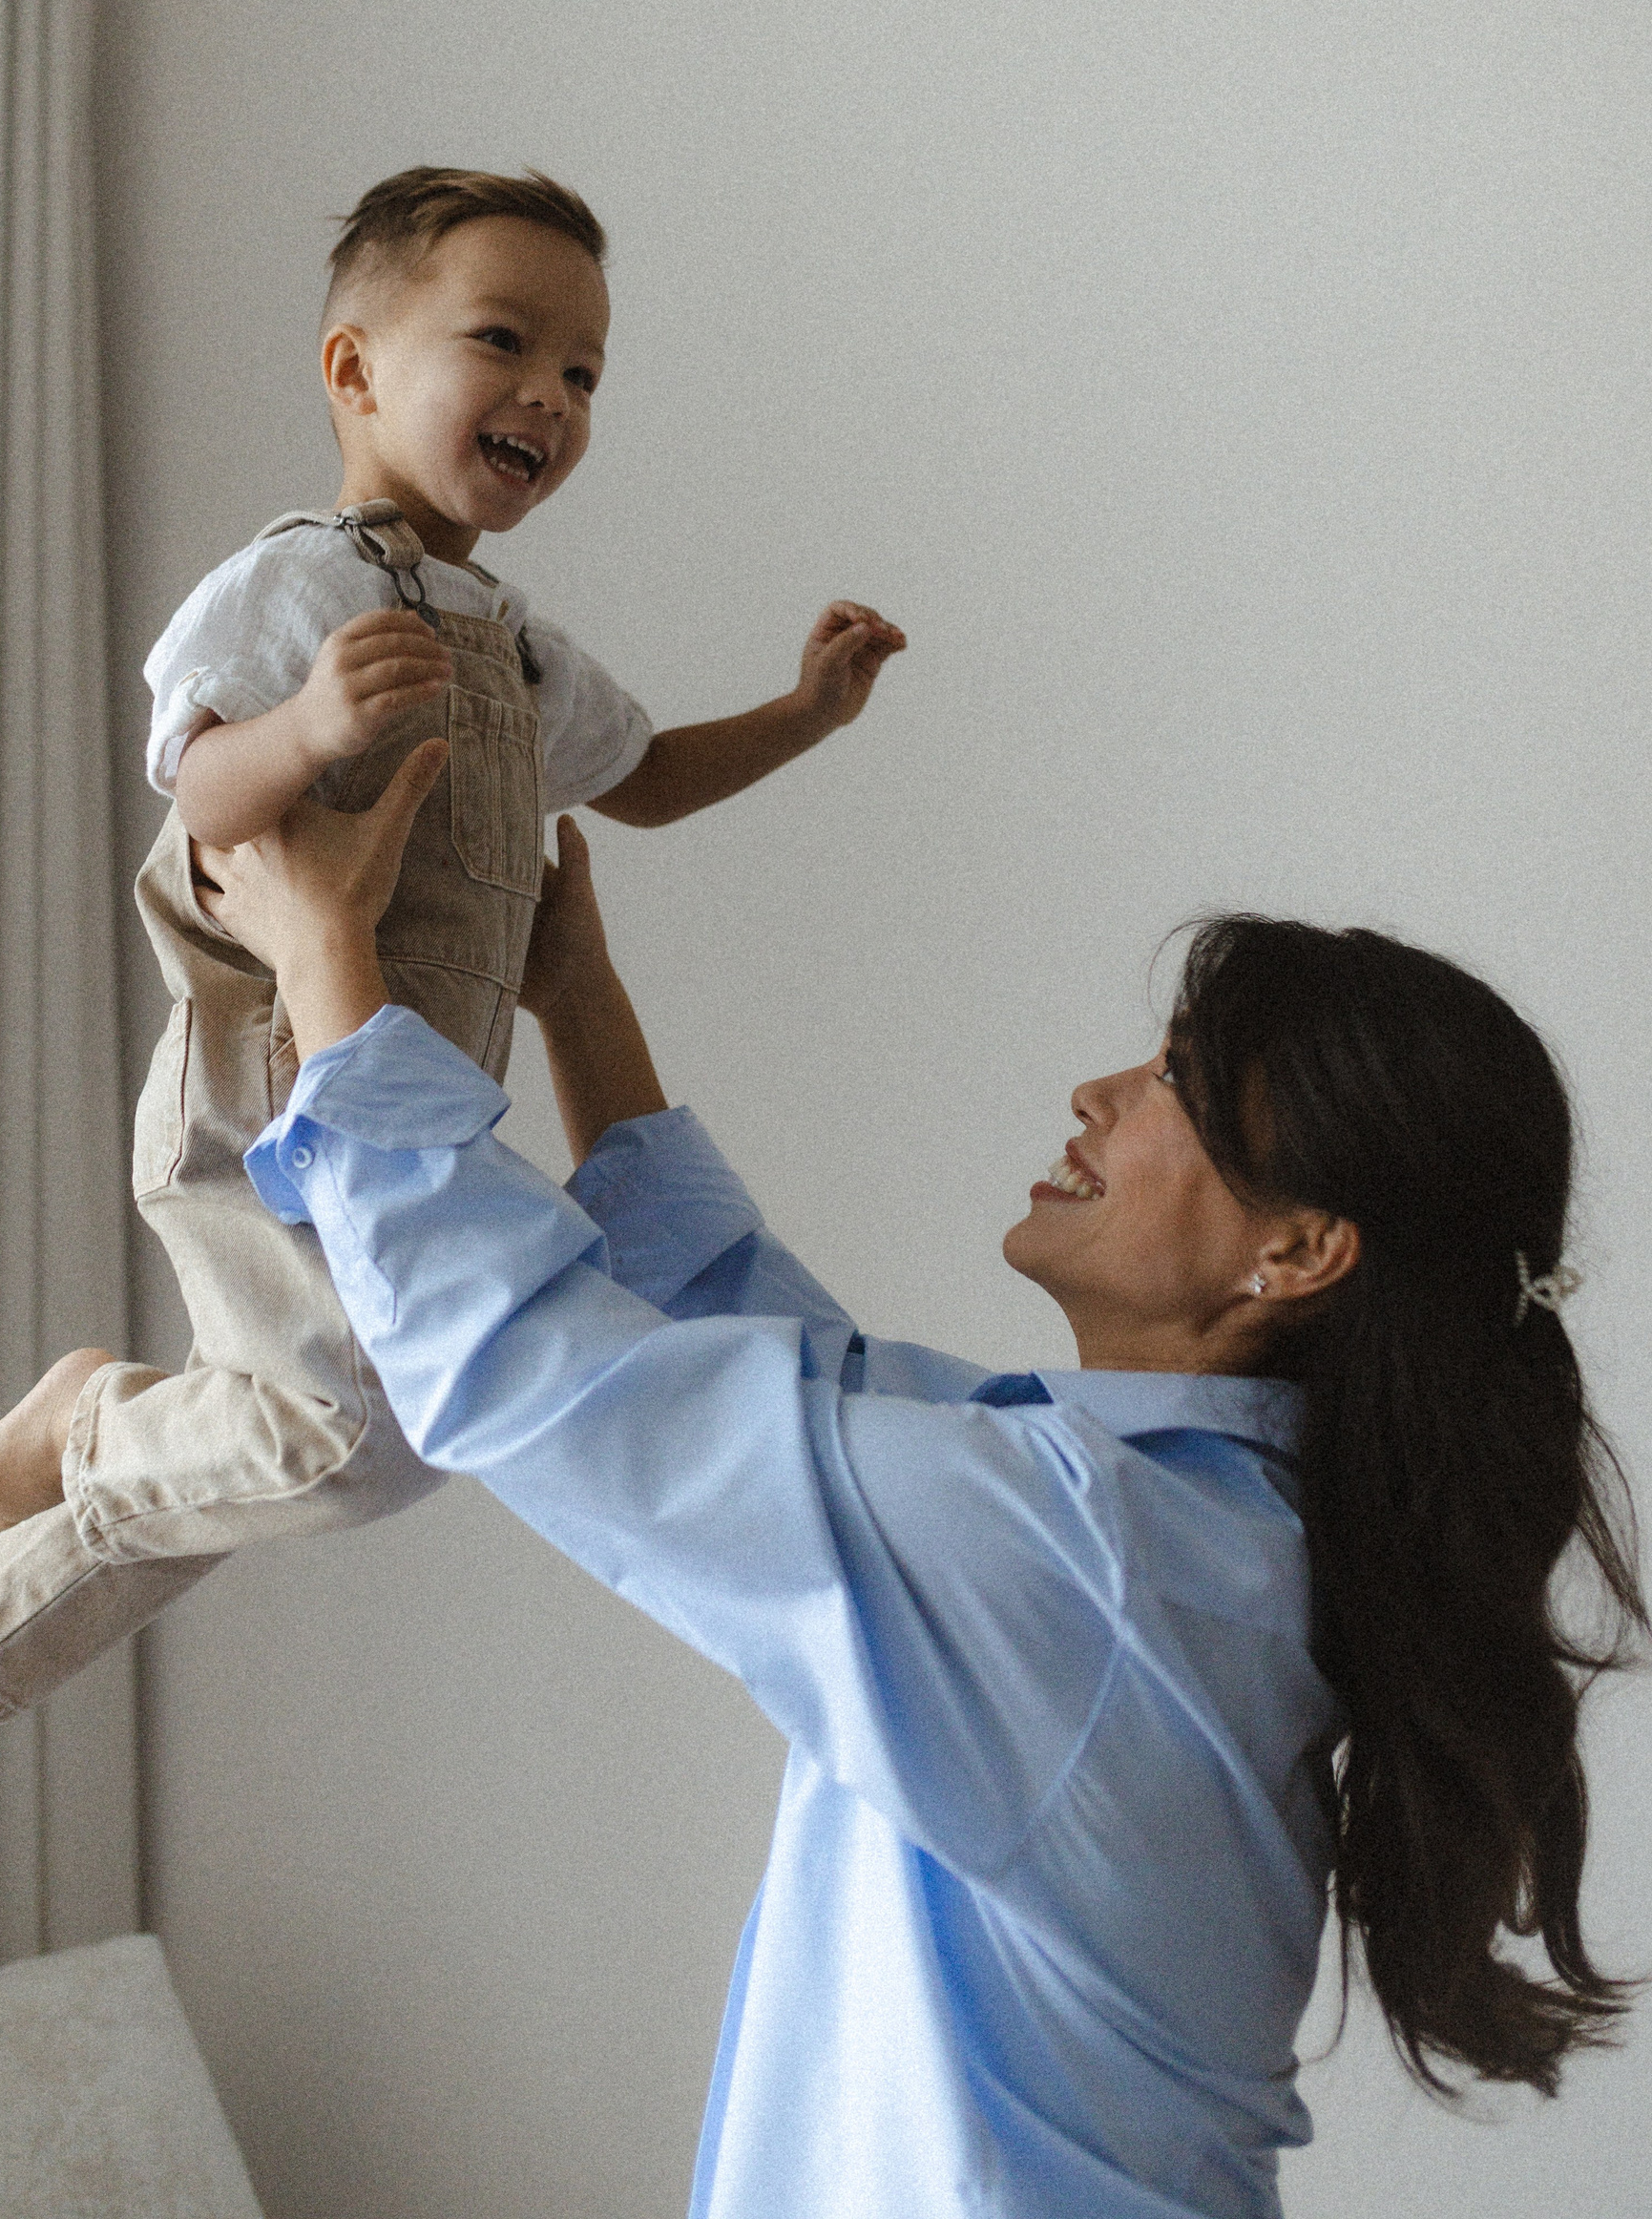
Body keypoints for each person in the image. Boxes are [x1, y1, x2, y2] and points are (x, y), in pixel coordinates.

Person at [191, 751, 1641, 2214]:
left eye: (1176, 1082)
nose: (1099, 1096)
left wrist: (327, 961)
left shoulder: (1099, 1554)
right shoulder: (1193, 1526)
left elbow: (542, 1375)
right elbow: (778, 1361)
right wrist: (580, 1000)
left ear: (1301, 1251)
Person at [0, 166, 905, 1858]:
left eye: (584, 372)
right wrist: (309, 733)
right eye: (505, 343)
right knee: (354, 1432)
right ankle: (70, 1453)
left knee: (319, 1432)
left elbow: (645, 783)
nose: (551, 396)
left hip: (396, 1108)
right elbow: (198, 793)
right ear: (353, 371)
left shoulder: (521, 649)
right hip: (265, 1087)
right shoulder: (298, 586)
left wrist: (806, 714)